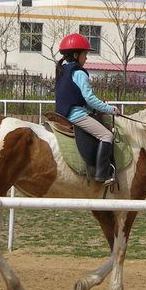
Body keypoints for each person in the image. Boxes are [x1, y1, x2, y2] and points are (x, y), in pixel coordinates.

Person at [55, 33, 119, 185]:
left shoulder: (62, 71)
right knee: (107, 136)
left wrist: (97, 108)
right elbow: (89, 98)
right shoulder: (79, 73)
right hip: (76, 116)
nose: (86, 58)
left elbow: (81, 98)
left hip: (62, 114)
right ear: (76, 55)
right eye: (85, 54)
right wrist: (110, 109)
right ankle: (102, 173)